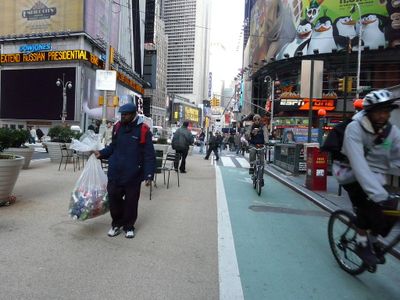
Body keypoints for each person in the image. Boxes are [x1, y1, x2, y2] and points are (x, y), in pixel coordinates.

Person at [338, 89, 400, 266]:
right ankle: (361, 242)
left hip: (377, 175)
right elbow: (358, 164)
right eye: (379, 111)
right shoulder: (354, 128)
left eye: (386, 111)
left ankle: (373, 239)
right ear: (368, 112)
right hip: (349, 173)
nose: (383, 115)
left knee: (392, 210)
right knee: (368, 206)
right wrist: (377, 194)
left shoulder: (391, 131)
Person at [94, 102, 155, 238]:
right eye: (122, 114)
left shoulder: (143, 130)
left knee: (131, 203)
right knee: (113, 199)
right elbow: (113, 147)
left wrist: (149, 174)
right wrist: (101, 153)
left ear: (134, 114)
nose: (123, 117)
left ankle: (129, 226)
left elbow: (149, 154)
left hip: (133, 175)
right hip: (115, 172)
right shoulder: (117, 127)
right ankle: (116, 224)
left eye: (126, 114)